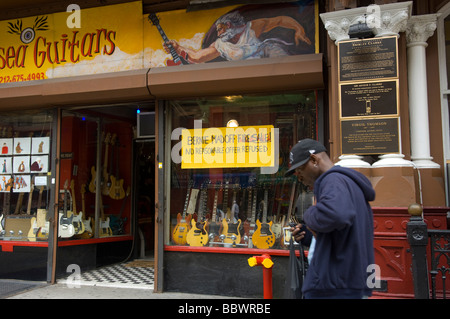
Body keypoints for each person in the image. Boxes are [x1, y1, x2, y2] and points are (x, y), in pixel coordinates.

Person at [286, 138, 375, 299]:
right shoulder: (346, 182)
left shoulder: (332, 180)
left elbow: (337, 215)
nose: (299, 178)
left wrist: (310, 214)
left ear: (313, 160)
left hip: (336, 285)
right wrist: (311, 236)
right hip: (347, 282)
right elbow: (344, 228)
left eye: (300, 171)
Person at [163, 11, 311, 63]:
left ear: (229, 25)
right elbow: (198, 57)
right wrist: (177, 47)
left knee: (273, 50)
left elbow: (279, 20)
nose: (219, 33)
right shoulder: (220, 45)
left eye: (220, 29)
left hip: (267, 57)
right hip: (247, 73)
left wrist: (299, 29)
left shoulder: (252, 28)